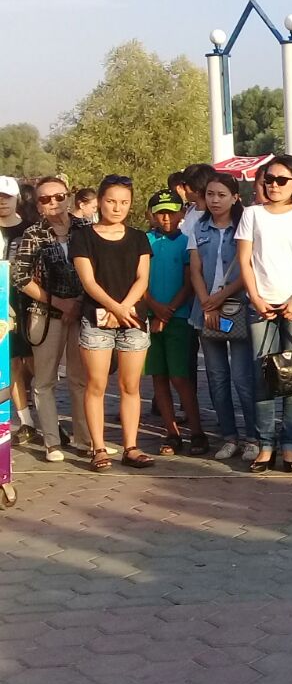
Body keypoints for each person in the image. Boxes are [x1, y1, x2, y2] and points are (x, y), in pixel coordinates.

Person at [235, 155, 292, 473]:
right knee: (263, 376)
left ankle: (290, 445)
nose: (274, 185)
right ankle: (265, 446)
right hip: (262, 305)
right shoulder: (252, 214)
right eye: (269, 179)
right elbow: (245, 261)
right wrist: (256, 298)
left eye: (281, 180)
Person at [69, 175, 154, 471]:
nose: (117, 208)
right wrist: (115, 307)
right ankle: (99, 448)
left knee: (131, 386)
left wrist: (126, 307)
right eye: (111, 201)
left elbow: (142, 278)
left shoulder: (139, 238)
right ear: (100, 201)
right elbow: (88, 282)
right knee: (96, 384)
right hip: (97, 319)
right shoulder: (83, 237)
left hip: (133, 319)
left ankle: (131, 447)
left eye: (124, 202)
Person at [10, 177, 91, 461]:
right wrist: (57, 302)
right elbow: (20, 277)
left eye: (59, 196)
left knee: (80, 378)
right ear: (38, 205)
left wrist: (78, 303)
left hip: (81, 312)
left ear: (68, 198)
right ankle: (52, 442)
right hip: (45, 315)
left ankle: (85, 439)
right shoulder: (32, 234)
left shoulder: (86, 229)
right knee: (44, 380)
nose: (53, 203)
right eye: (45, 199)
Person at [188, 173, 259, 461]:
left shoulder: (244, 226)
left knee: (243, 377)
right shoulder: (198, 226)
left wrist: (219, 298)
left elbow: (248, 268)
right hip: (205, 311)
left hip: (237, 307)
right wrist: (207, 303)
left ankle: (253, 437)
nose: (215, 200)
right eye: (210, 195)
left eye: (221, 195)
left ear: (235, 197)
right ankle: (229, 437)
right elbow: (195, 269)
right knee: (217, 378)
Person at [143, 189, 206, 456]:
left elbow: (189, 282)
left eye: (171, 212)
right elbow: (139, 280)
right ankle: (171, 432)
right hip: (150, 316)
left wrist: (167, 312)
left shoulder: (187, 242)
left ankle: (197, 431)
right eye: (161, 213)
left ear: (182, 213)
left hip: (179, 318)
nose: (166, 218)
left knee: (180, 377)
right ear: (152, 215)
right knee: (158, 376)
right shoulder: (145, 241)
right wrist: (154, 309)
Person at [0, 176, 36, 445]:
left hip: (31, 304)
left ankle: (51, 422)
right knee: (11, 363)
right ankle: (26, 421)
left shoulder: (30, 229)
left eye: (6, 197)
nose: (2, 202)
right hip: (3, 306)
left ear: (17, 199)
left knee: (36, 365)